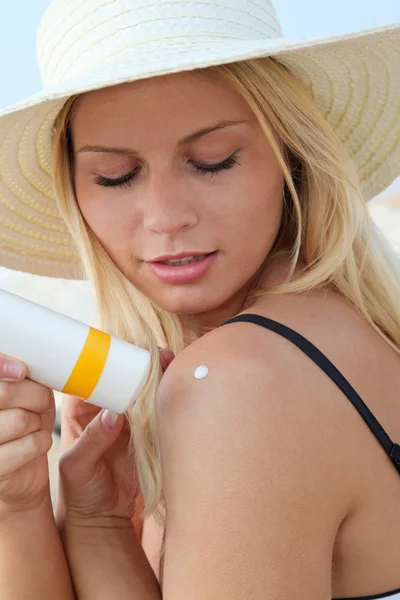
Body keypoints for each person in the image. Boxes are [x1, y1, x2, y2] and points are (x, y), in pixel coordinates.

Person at [0, 0, 399, 597]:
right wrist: (74, 517)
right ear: (75, 193)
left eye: (213, 161)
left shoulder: (239, 384)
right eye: (115, 175)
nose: (166, 218)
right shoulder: (333, 340)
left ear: (290, 152)